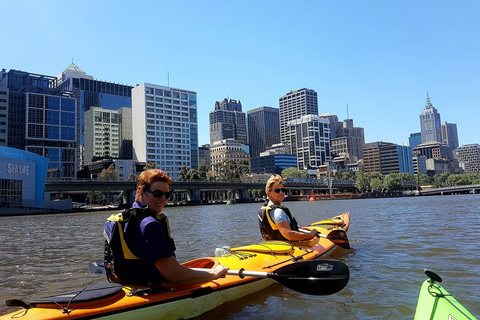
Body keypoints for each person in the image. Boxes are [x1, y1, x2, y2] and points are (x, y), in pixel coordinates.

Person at [104, 169, 228, 287]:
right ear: (142, 192)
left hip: (130, 284)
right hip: (154, 288)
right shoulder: (149, 224)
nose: (163, 199)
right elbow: (175, 274)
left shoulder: (126, 219)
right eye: (157, 193)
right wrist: (214, 274)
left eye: (167, 194)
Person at [258, 174, 318, 241]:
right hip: (287, 247)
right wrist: (311, 234)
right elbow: (289, 235)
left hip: (275, 244)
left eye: (283, 190)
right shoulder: (277, 212)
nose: (281, 193)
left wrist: (298, 229)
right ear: (269, 193)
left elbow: (279, 227)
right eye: (277, 190)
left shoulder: (267, 208)